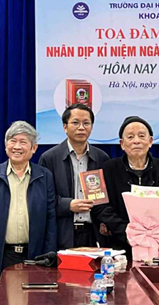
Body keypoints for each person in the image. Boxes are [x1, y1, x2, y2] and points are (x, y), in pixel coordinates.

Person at [0, 121, 57, 305]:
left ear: (34, 148)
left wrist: (49, 257)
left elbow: (51, 219)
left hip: (35, 256)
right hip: (1, 256)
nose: (17, 146)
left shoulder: (44, 176)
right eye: (12, 141)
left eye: (23, 142)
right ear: (5, 145)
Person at [91, 116, 159, 257]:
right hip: (119, 246)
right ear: (122, 144)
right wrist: (126, 232)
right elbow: (100, 206)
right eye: (130, 137)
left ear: (150, 141)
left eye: (141, 136)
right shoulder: (108, 169)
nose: (136, 141)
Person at [39, 104, 110, 250]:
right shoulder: (49, 158)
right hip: (62, 234)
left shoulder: (102, 158)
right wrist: (67, 205)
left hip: (93, 234)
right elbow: (42, 199)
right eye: (75, 123)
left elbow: (108, 197)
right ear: (65, 127)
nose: (81, 128)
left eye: (86, 123)